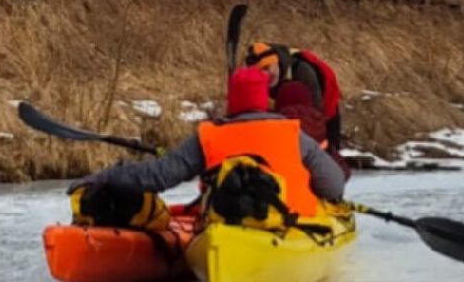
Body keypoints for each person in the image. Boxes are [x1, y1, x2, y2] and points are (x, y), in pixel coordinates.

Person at [72, 67, 346, 220]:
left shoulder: (209, 135)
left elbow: (157, 176)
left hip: (224, 227)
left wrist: (105, 176)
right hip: (289, 226)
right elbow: (333, 184)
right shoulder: (293, 134)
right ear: (265, 100)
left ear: (232, 100)